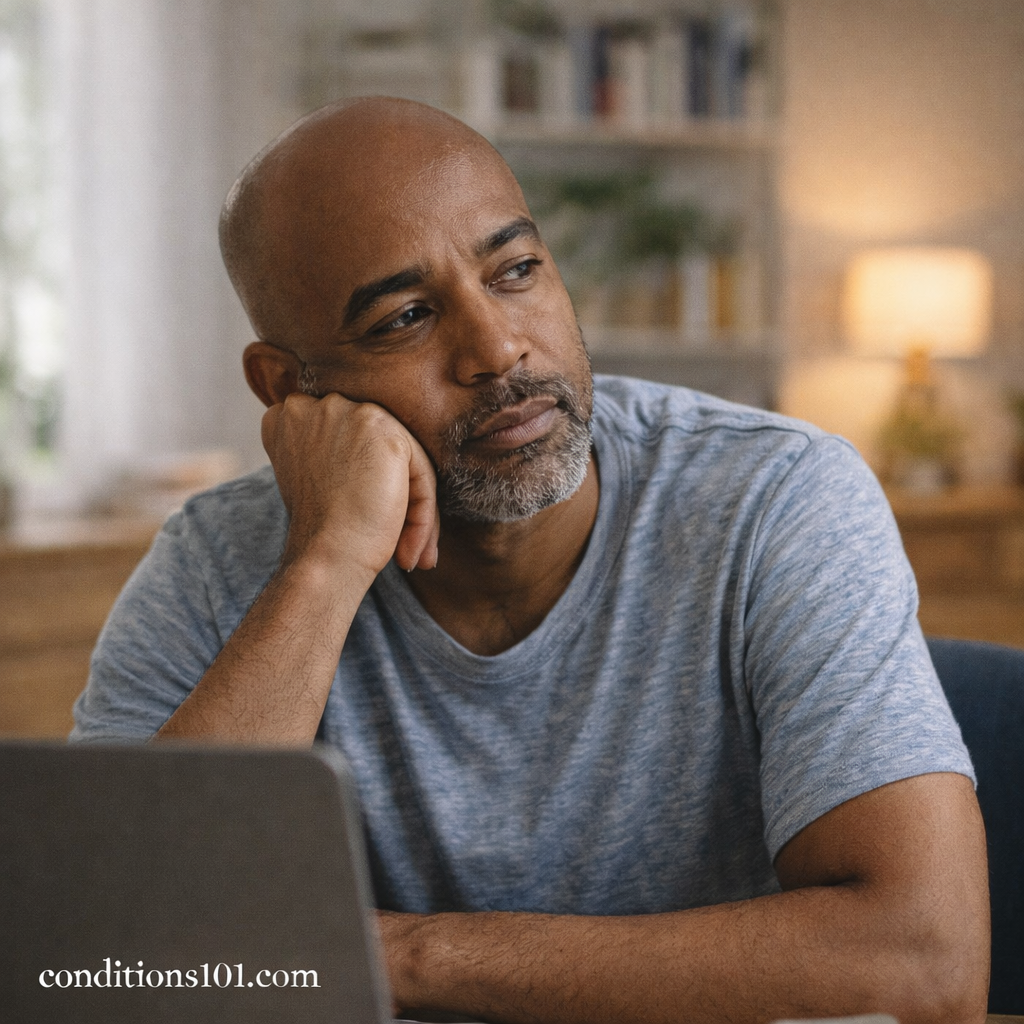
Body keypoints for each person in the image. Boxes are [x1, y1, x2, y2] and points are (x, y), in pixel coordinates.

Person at [72, 97, 989, 1024]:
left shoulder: (776, 498)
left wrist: (399, 954)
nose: (497, 346)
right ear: (286, 388)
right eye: (404, 318)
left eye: (514, 270)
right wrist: (326, 563)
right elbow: (102, 962)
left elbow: (925, 966)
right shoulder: (214, 561)